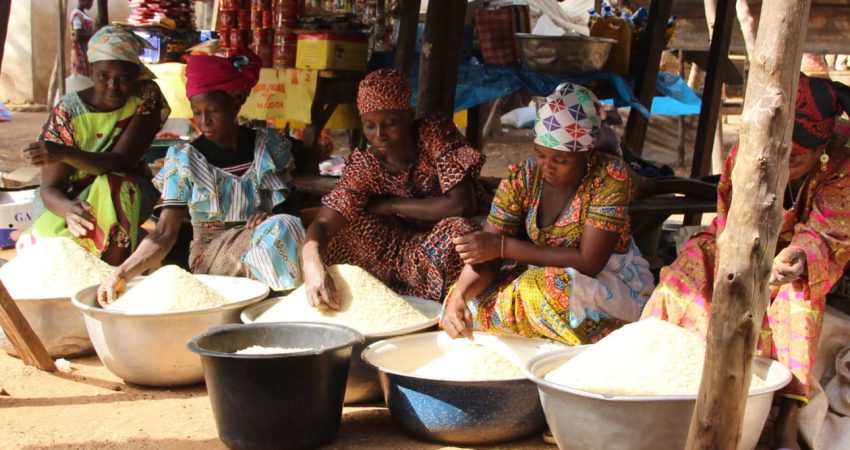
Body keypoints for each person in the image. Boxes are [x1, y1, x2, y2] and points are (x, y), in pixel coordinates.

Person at [642, 73, 850, 450]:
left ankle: (785, 416)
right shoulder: (753, 146)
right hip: (743, 235)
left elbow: (830, 230)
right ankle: (657, 381)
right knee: (686, 269)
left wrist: (797, 257)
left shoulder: (844, 162)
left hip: (811, 254)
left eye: (797, 157)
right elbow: (730, 215)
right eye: (779, 152)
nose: (783, 163)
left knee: (796, 302)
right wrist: (741, 253)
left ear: (821, 147)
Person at [441, 83, 654, 344]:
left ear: (587, 153)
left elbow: (589, 262)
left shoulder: (609, 176)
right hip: (539, 273)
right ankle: (534, 327)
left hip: (604, 283)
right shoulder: (523, 176)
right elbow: (488, 256)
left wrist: (504, 247)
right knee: (463, 301)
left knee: (545, 289)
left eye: (560, 160)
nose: (547, 167)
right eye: (540, 155)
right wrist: (461, 295)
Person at [98, 49, 305, 303]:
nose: (203, 121)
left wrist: (272, 216)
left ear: (236, 101)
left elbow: (292, 209)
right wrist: (121, 273)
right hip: (212, 255)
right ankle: (271, 302)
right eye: (197, 112)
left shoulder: (269, 147)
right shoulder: (185, 159)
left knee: (288, 227)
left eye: (213, 110)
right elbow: (163, 233)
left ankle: (278, 304)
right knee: (281, 229)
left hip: (266, 240)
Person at [301, 68, 489, 306]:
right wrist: (312, 264)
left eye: (390, 123)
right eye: (369, 126)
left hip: (445, 239)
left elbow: (460, 204)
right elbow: (324, 223)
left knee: (458, 232)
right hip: (403, 248)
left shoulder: (433, 133)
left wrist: (391, 206)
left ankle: (447, 299)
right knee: (350, 223)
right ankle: (388, 290)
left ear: (407, 115)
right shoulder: (365, 165)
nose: (380, 134)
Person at [19, 26, 169, 265]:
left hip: (126, 193)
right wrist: (69, 209)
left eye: (124, 78)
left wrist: (64, 152)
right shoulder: (68, 112)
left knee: (116, 181)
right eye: (104, 76)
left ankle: (115, 273)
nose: (113, 86)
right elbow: (50, 188)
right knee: (50, 259)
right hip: (71, 200)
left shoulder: (145, 96)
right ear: (91, 71)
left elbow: (120, 160)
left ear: (137, 74)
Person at [70, 0, 95, 77]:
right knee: (82, 78)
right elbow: (78, 34)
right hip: (80, 53)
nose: (91, 4)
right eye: (89, 1)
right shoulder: (77, 15)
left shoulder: (83, 14)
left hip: (86, 51)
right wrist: (95, 33)